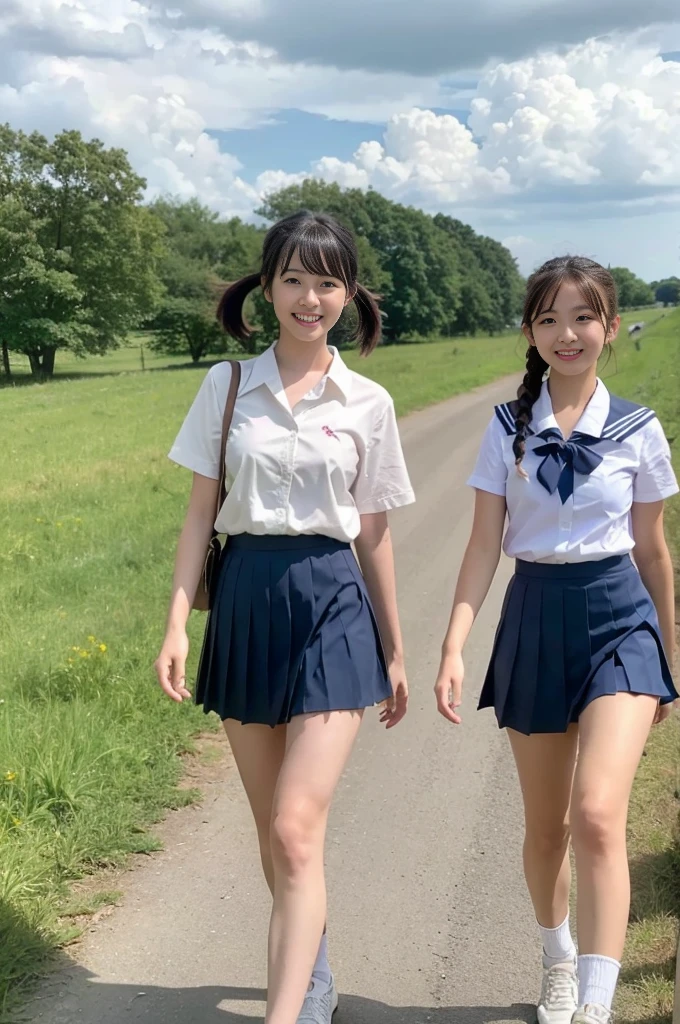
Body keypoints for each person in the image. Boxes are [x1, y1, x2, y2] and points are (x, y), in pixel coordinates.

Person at [154, 210, 415, 1024]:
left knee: (298, 826)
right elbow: (201, 514)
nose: (311, 297)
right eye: (295, 278)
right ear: (267, 286)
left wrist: (396, 650)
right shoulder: (227, 385)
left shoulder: (368, 400)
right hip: (249, 600)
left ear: (349, 293)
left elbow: (374, 533)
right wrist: (175, 623)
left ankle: (288, 1012)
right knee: (276, 833)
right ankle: (315, 972)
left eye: (327, 281)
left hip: (335, 601)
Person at [434, 256, 678, 1024]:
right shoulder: (504, 429)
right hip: (535, 618)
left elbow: (653, 551)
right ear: (530, 332)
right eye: (548, 318)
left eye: (582, 317)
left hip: (620, 619)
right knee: (549, 827)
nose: (566, 333)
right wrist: (452, 646)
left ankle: (598, 1009)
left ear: (609, 326)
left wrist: (671, 652)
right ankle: (558, 958)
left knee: (601, 813)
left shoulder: (639, 429)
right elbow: (482, 547)